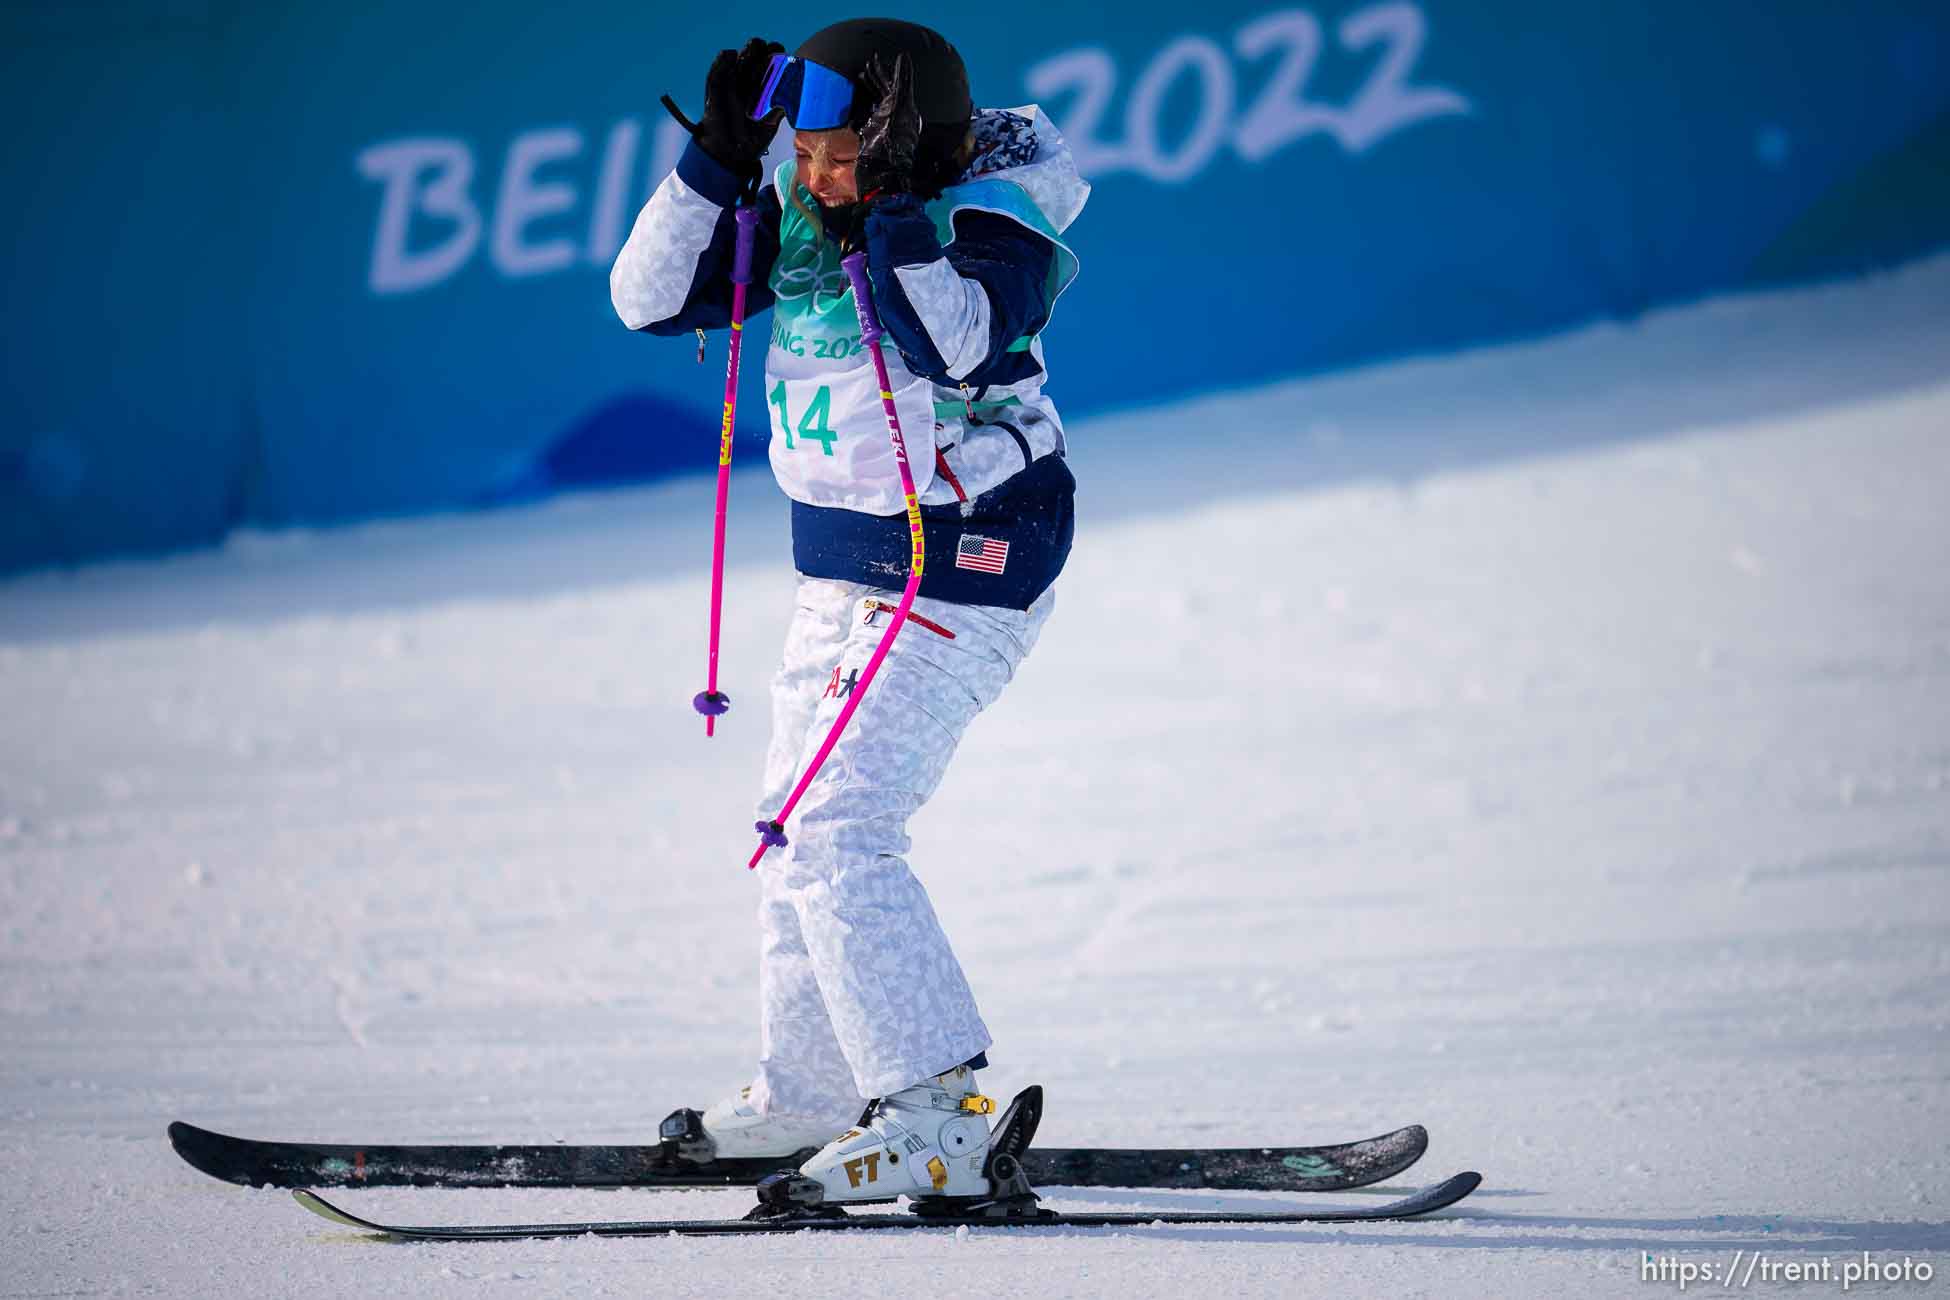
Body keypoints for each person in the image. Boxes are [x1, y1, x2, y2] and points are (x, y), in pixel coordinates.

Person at [610, 17, 1087, 1207]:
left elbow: (957, 345)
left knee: (838, 829)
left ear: (912, 144)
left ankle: (936, 1111)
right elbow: (648, 301)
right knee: (789, 830)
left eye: (843, 154)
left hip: (965, 561)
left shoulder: (993, 219)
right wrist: (715, 167)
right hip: (846, 569)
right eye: (802, 153)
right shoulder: (800, 208)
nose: (816, 176)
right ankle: (810, 1094)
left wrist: (901, 215)